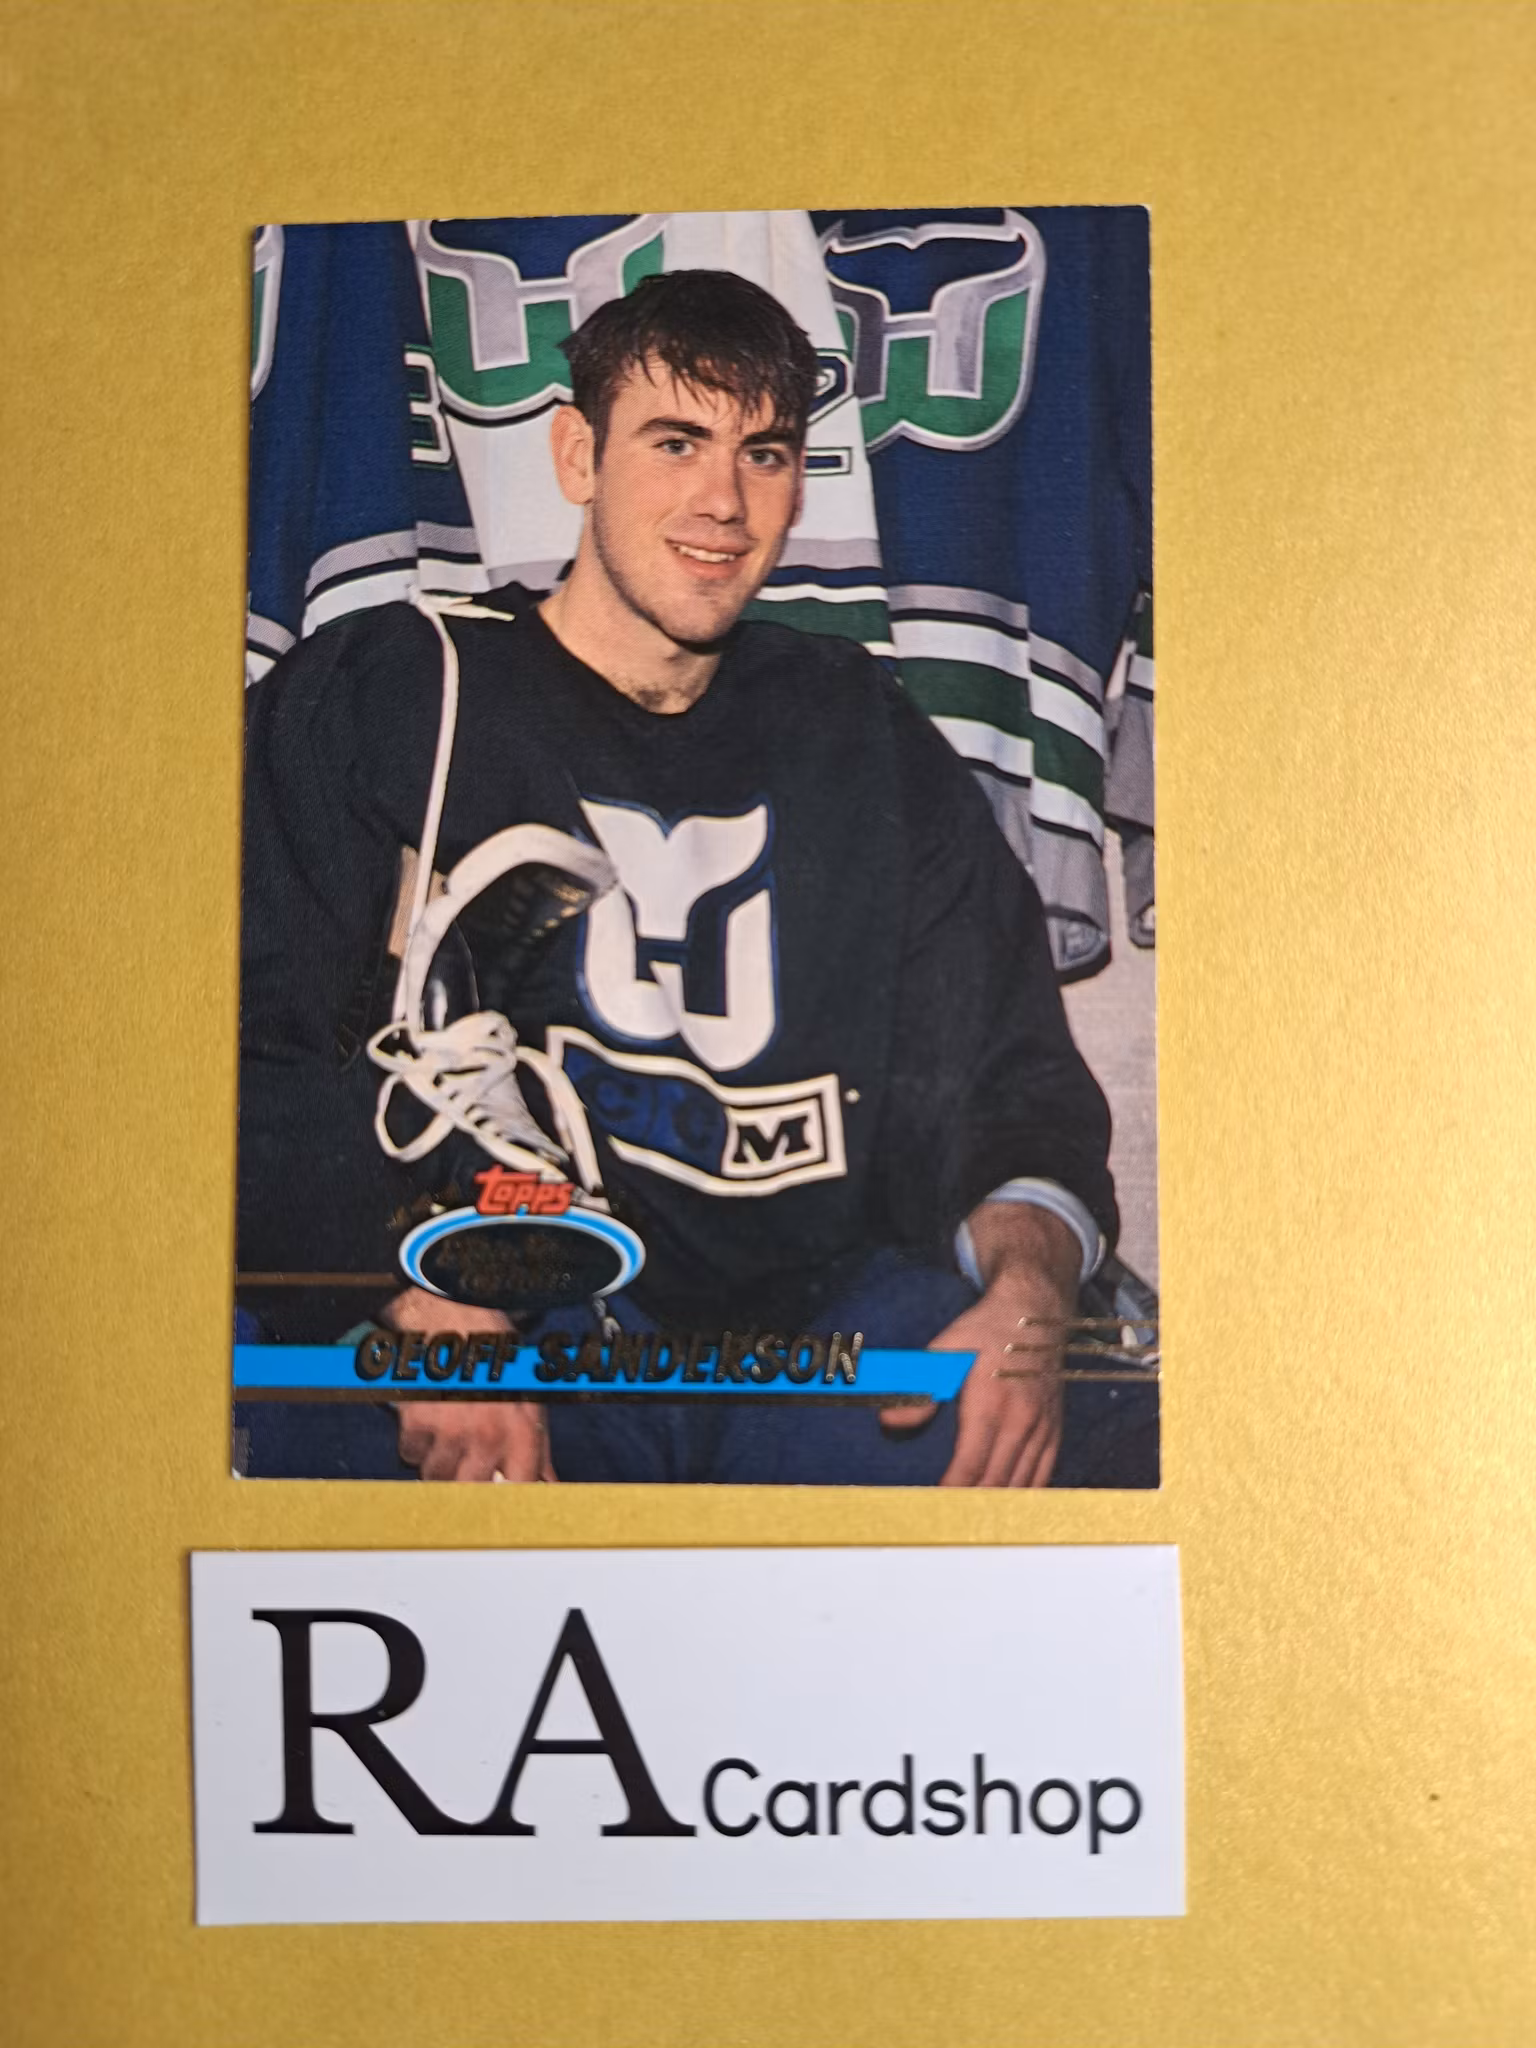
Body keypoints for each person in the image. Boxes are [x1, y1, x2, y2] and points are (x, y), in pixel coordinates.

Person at [237, 269, 1120, 1487]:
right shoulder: (399, 685)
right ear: (577, 455)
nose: (723, 501)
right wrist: (410, 1306)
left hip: (799, 1333)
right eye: (674, 442)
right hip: (503, 1310)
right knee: (323, 1417)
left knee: (1045, 1412)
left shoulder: (857, 726)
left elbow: (1012, 1082)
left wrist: (1032, 1288)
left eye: (765, 454)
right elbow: (234, 1044)